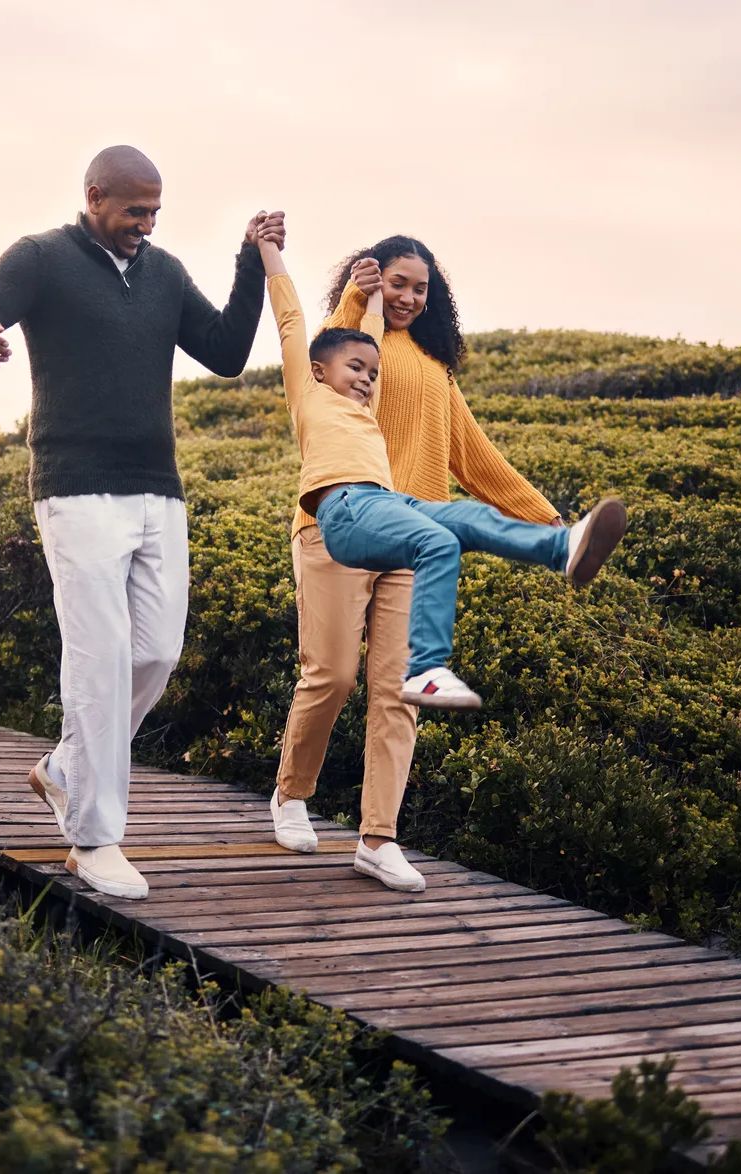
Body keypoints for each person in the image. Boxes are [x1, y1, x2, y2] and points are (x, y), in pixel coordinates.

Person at [0, 145, 282, 901]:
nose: (146, 225)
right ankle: (93, 839)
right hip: (76, 488)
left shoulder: (163, 273)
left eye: (155, 212)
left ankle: (64, 771)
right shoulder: (40, 260)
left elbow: (223, 353)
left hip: (159, 489)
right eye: (134, 211)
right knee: (100, 653)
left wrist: (251, 263)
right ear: (94, 196)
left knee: (155, 651)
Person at [262, 233, 625, 892]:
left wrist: (546, 517)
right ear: (374, 281)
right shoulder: (353, 343)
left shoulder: (434, 368)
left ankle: (378, 837)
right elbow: (326, 354)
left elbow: (474, 456)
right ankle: (291, 794)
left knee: (399, 692)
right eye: (396, 282)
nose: (406, 296)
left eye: (418, 288)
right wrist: (355, 296)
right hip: (335, 527)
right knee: (333, 674)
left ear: (434, 298)